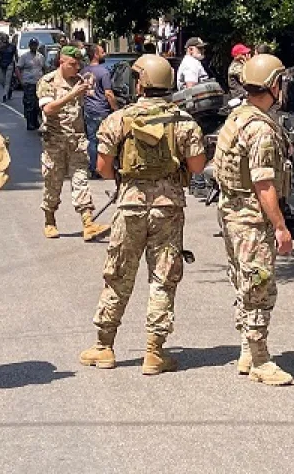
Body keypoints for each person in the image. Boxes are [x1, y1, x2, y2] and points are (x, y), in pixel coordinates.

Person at [79, 54, 205, 374]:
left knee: (118, 274)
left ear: (141, 84)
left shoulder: (119, 119)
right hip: (168, 209)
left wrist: (128, 180)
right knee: (163, 277)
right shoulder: (184, 121)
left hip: (129, 205)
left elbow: (103, 167)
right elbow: (197, 166)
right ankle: (153, 352)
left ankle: (104, 347)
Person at [212, 53, 294, 386]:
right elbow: (264, 184)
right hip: (250, 219)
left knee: (244, 283)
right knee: (259, 287)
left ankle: (248, 349)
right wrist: (280, 226)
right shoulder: (260, 129)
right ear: (273, 85)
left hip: (232, 213)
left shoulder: (238, 117)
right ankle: (260, 360)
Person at [37, 45, 110, 242]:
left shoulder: (78, 80)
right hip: (55, 143)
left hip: (77, 142)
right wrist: (72, 94)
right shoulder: (47, 82)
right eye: (73, 64)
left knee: (81, 182)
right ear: (61, 62)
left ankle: (88, 223)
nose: (77, 67)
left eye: (79, 64)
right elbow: (48, 109)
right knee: (53, 185)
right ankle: (49, 221)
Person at [82, 44, 119, 179]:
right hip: (102, 110)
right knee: (105, 140)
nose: (105, 54)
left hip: (88, 110)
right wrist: (115, 109)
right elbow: (108, 93)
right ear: (96, 55)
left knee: (92, 139)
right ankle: (103, 168)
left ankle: (93, 168)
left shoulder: (83, 71)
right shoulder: (104, 72)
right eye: (103, 52)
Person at [17, 38, 46, 132]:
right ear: (29, 46)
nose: (34, 47)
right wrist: (21, 80)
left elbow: (43, 68)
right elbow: (18, 68)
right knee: (29, 103)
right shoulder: (24, 57)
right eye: (32, 45)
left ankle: (35, 121)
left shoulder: (40, 57)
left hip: (38, 83)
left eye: (35, 45)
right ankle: (30, 122)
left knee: (38, 104)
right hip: (28, 82)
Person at [0, 34, 17, 101]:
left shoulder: (12, 46)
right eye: (3, 39)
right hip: (2, 64)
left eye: (5, 38)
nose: (4, 40)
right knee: (2, 81)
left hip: (9, 64)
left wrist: (17, 66)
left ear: (8, 39)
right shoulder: (0, 46)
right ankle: (9, 89)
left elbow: (16, 55)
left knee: (7, 80)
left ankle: (4, 94)